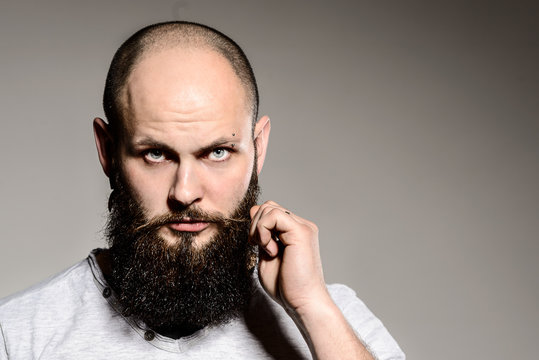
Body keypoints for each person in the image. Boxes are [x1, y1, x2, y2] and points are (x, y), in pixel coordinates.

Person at [0, 21, 404, 359]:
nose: (186, 192)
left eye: (218, 152)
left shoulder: (332, 319)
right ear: (108, 152)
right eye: (156, 154)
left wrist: (312, 310)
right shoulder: (18, 335)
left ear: (258, 148)